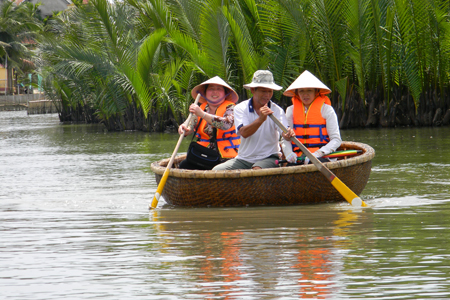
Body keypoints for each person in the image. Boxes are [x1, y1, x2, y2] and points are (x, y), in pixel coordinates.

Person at [213, 70, 289, 170]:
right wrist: (260, 120)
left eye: (270, 91)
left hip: (269, 157)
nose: (267, 95)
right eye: (263, 91)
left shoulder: (277, 110)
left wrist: (287, 134)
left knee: (256, 170)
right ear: (253, 90)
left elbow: (284, 132)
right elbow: (243, 132)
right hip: (243, 159)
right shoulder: (240, 108)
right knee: (217, 171)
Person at [178, 76, 240, 170]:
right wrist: (184, 129)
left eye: (219, 89)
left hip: (227, 157)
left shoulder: (232, 108)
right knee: (183, 165)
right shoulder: (201, 108)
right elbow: (190, 126)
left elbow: (226, 124)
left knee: (219, 170)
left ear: (225, 93)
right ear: (205, 93)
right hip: (204, 154)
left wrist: (202, 114)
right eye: (211, 89)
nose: (215, 92)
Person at [281, 70, 342, 165]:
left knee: (314, 164)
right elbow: (285, 138)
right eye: (301, 91)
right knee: (291, 167)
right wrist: (288, 153)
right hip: (298, 157)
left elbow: (336, 139)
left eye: (309, 90)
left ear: (316, 91)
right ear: (297, 93)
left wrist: (318, 153)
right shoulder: (290, 110)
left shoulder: (327, 109)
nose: (305, 95)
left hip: (322, 156)